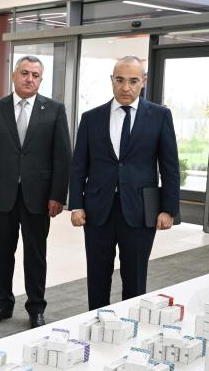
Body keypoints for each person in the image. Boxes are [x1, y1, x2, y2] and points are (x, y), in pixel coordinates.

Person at [69, 55, 179, 310]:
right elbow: (78, 166)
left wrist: (169, 210)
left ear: (143, 81)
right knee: (97, 276)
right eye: (119, 80)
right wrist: (76, 204)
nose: (126, 87)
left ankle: (131, 326)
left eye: (133, 81)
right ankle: (96, 322)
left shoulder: (160, 116)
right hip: (98, 210)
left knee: (135, 278)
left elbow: (170, 167)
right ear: (112, 80)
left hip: (140, 211)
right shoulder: (91, 118)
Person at [0, 56, 71, 328]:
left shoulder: (54, 110)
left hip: (38, 197)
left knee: (36, 255)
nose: (30, 79)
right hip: (2, 195)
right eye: (25, 73)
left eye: (35, 75)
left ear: (41, 79)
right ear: (14, 76)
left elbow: (62, 157)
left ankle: (36, 308)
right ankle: (2, 305)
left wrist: (57, 196)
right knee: (3, 254)